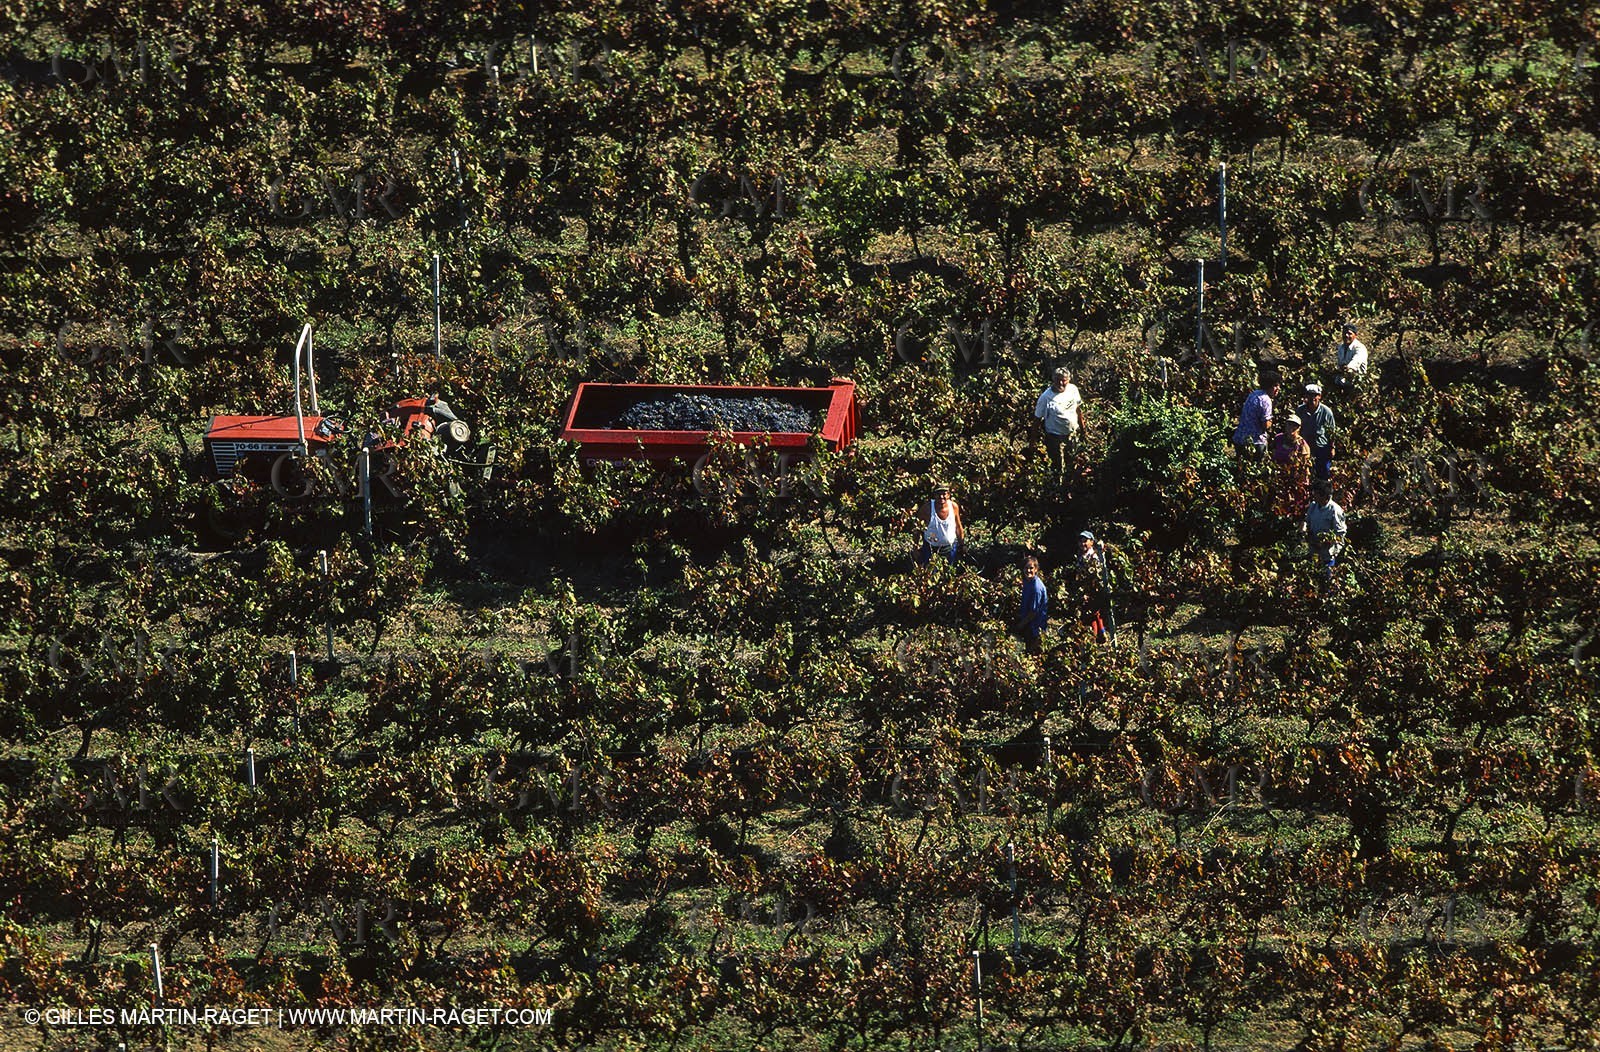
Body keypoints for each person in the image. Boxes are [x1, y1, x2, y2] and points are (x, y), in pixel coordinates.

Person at [1033, 367, 1086, 486]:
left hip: (1072, 434)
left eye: (1064, 380)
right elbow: (1036, 420)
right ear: (1053, 379)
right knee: (1056, 466)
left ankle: (1069, 489)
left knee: (1071, 462)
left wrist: (1083, 429)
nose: (1061, 383)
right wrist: (1033, 442)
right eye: (1058, 380)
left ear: (1069, 380)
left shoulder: (1073, 390)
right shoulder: (1046, 397)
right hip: (1054, 437)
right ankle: (1055, 491)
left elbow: (1078, 410)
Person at [1074, 530, 1116, 642]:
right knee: (1092, 613)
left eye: (1085, 541)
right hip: (1085, 589)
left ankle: (1095, 637)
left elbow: (1098, 574)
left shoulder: (1094, 556)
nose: (1082, 544)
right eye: (1081, 541)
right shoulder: (1080, 557)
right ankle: (1100, 634)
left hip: (1094, 590)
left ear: (1091, 542)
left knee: (1092, 612)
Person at [1270, 412, 1312, 515]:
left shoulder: (1302, 444)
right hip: (1278, 474)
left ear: (1299, 428)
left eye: (1295, 425)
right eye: (1289, 424)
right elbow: (1272, 453)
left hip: (1294, 477)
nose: (1291, 427)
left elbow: (1304, 464)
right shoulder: (1278, 438)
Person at [1304, 480, 1347, 581]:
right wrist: (1305, 529)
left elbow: (1340, 532)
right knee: (1313, 578)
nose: (1313, 496)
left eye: (1316, 494)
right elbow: (1307, 521)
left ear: (1325, 496)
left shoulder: (1335, 510)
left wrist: (1327, 542)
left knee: (1327, 578)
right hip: (1314, 549)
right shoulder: (1313, 506)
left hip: (1327, 552)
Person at [912, 485, 965, 564]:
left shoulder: (954, 507)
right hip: (930, 549)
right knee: (930, 573)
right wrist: (915, 548)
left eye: (944, 494)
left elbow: (958, 526)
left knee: (949, 572)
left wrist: (962, 544)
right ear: (934, 495)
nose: (941, 497)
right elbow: (917, 529)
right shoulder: (927, 508)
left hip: (950, 549)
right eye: (938, 494)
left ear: (948, 495)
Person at [1232, 369, 1280, 455]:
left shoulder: (1254, 394)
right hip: (1255, 442)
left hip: (1240, 438)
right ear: (1268, 386)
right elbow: (1266, 425)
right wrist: (1271, 422)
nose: (1278, 389)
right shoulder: (1266, 400)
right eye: (1275, 386)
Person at [1297, 383, 1336, 481]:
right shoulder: (1300, 410)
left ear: (1319, 396)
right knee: (1305, 474)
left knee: (1323, 473)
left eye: (1314, 395)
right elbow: (1296, 428)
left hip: (1322, 447)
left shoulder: (1326, 411)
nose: (1312, 398)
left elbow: (1331, 432)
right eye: (1309, 395)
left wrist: (1332, 448)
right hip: (1305, 447)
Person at [1016, 556, 1048, 655]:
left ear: (1036, 569)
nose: (1028, 570)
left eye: (1031, 568)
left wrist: (1020, 625)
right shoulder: (1028, 582)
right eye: (1026, 568)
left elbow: (1033, 612)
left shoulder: (1036, 587)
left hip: (1035, 626)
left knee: (1032, 653)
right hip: (1029, 623)